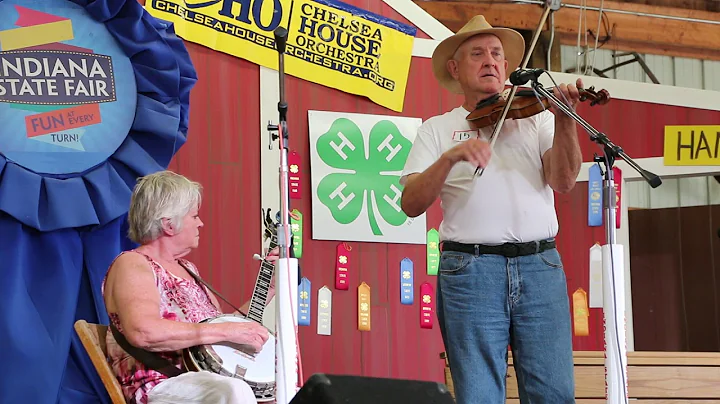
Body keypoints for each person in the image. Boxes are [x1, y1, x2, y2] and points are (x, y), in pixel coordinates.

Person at [400, 15, 583, 404]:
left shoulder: (537, 118)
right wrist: (449, 159)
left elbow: (564, 180)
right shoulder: (437, 129)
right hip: (470, 270)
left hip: (540, 267)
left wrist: (566, 121)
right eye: (478, 54)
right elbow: (411, 202)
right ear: (455, 68)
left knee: (555, 393)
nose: (491, 62)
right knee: (478, 395)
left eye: (498, 55)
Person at [102, 170, 276, 404]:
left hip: (204, 380)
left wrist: (269, 290)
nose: (201, 223)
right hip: (159, 384)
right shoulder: (133, 264)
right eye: (194, 216)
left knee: (288, 390)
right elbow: (143, 332)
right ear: (169, 225)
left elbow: (215, 332)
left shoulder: (189, 269)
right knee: (234, 391)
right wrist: (227, 331)